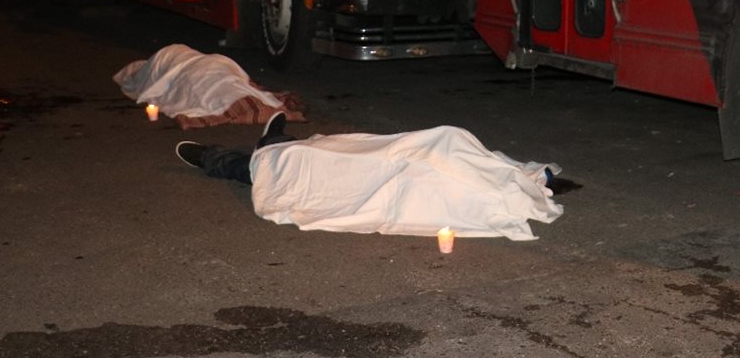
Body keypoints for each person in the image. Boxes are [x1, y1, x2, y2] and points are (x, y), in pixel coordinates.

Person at [174, 113, 563, 241]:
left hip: (391, 180)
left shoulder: (486, 202)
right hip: (401, 155)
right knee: (330, 149)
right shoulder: (501, 178)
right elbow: (472, 155)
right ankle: (275, 142)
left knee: (295, 171)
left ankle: (218, 158)